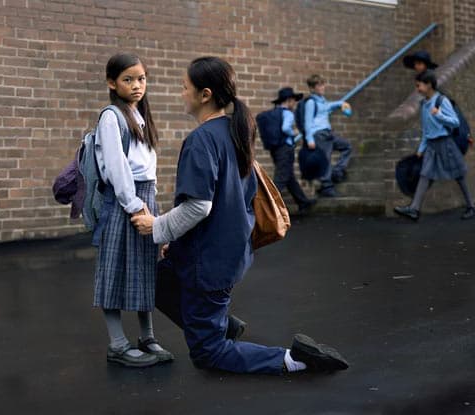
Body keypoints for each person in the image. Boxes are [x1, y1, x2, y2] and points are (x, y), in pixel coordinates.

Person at [131, 56, 349, 374]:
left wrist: (156, 227)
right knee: (156, 280)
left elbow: (198, 207)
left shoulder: (201, 140)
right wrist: (173, 239)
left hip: (208, 262)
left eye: (184, 88)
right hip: (224, 253)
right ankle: (222, 324)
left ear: (205, 94)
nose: (181, 94)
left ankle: (294, 359)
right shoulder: (234, 133)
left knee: (209, 353)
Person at [93, 53, 173, 367]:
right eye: (128, 79)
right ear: (112, 83)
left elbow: (148, 171)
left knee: (144, 270)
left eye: (141, 78)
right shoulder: (112, 116)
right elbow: (117, 168)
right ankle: (117, 344)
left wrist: (154, 207)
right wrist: (135, 207)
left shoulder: (140, 115)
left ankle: (147, 336)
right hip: (125, 202)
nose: (137, 85)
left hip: (145, 198)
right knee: (113, 271)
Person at [394, 71, 475, 221]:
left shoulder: (441, 101)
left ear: (429, 84)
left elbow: (455, 122)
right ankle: (414, 209)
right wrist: (421, 149)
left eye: (419, 85)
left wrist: (439, 115)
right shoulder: (424, 104)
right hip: (431, 146)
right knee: (425, 175)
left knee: (458, 175)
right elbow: (426, 130)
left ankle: (471, 206)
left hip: (446, 144)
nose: (417, 88)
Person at [266, 87, 316, 214]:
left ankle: (303, 202)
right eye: (294, 100)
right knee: (281, 178)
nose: (294, 103)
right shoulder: (287, 113)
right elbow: (285, 128)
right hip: (285, 149)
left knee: (289, 177)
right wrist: (293, 132)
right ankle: (264, 206)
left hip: (276, 149)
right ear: (288, 101)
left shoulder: (275, 113)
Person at [303, 74, 353, 197]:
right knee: (325, 158)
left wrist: (342, 103)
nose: (322, 87)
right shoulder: (311, 102)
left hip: (329, 133)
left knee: (347, 146)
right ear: (312, 88)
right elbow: (307, 122)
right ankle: (326, 187)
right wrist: (309, 139)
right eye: (319, 85)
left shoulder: (323, 101)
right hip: (319, 134)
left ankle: (336, 172)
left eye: (323, 84)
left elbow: (330, 106)